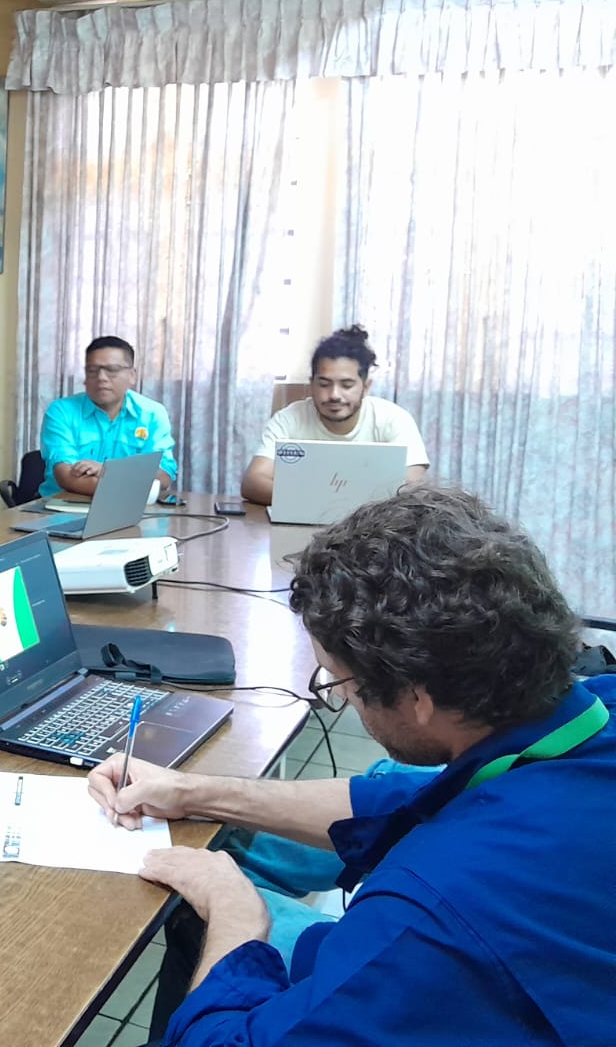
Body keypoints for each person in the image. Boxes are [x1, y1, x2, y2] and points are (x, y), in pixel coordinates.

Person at [88, 486, 615, 1045]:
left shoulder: (426, 916)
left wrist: (235, 915)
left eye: (340, 683)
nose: (339, 698)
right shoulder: (587, 713)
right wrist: (192, 791)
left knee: (205, 914)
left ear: (419, 698)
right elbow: (409, 803)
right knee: (356, 797)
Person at [241, 324, 429, 504]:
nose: (334, 395)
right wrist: (326, 503)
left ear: (366, 386)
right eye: (324, 384)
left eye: (347, 385)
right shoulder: (288, 419)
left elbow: (413, 487)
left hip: (373, 528)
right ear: (311, 383)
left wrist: (342, 506)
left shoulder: (394, 419)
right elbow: (253, 482)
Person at [38, 336, 177, 498]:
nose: (101, 377)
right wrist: (136, 478)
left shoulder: (152, 413)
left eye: (112, 370)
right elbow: (67, 477)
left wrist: (106, 470)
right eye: (92, 370)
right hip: (63, 508)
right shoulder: (61, 411)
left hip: (132, 509)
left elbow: (163, 477)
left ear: (132, 375)